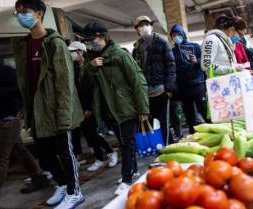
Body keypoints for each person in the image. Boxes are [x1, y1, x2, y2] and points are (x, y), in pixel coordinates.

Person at [12, 0, 84, 209]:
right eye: (17, 12)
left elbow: (64, 83)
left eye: (25, 11)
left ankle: (75, 192)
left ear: (39, 14)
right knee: (45, 155)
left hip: (56, 107)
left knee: (65, 153)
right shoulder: (24, 45)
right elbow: (26, 81)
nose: (21, 16)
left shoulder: (54, 43)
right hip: (37, 109)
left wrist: (64, 114)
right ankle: (62, 185)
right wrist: (25, 108)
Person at [83, 22, 149, 195]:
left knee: (126, 144)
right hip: (107, 110)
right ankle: (133, 171)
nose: (89, 43)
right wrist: (90, 67)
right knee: (124, 142)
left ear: (102, 36)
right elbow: (84, 82)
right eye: (87, 41)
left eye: (91, 39)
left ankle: (127, 180)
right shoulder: (93, 58)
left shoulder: (120, 55)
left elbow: (137, 81)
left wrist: (143, 109)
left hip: (125, 107)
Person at [0, 55, 50, 208]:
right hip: (3, 119)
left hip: (7, 119)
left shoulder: (2, 70)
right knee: (19, 151)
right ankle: (39, 178)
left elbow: (20, 91)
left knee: (0, 159)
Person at [68, 41, 118, 172]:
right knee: (89, 134)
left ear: (80, 52)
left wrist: (90, 108)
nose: (71, 54)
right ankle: (99, 159)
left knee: (93, 133)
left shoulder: (91, 66)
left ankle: (110, 152)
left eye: (73, 52)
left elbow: (93, 89)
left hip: (91, 106)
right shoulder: (74, 68)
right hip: (80, 108)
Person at [132, 16, 176, 145]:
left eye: (146, 24)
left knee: (164, 121)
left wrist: (169, 87)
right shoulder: (137, 48)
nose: (144, 27)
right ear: (137, 29)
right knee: (152, 122)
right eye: (141, 25)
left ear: (151, 26)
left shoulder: (161, 43)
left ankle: (170, 146)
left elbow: (170, 64)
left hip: (161, 89)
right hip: (146, 92)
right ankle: (159, 147)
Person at [170, 24, 207, 134]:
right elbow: (172, 70)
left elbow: (205, 63)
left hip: (197, 85)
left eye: (178, 34)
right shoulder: (172, 52)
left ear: (183, 34)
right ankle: (194, 135)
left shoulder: (195, 46)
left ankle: (212, 131)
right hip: (183, 88)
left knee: (204, 111)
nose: (176, 37)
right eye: (174, 35)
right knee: (189, 115)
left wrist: (197, 60)